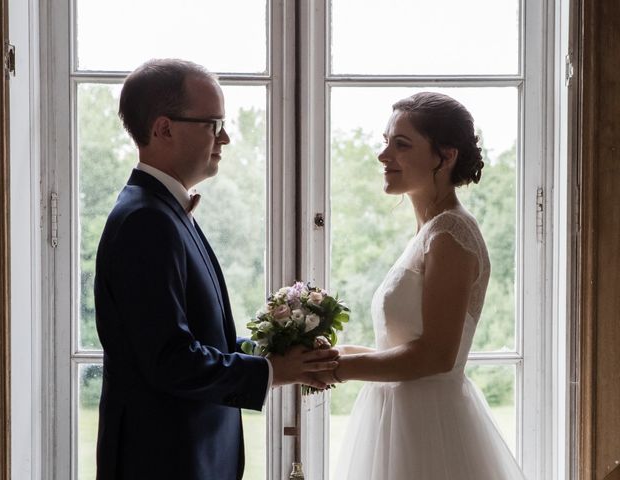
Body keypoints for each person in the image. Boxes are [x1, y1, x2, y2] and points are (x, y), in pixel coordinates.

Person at [93, 58, 338, 480]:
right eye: (213, 123)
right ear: (164, 128)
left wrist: (272, 354)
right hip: (164, 462)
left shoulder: (164, 210)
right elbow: (170, 358)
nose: (225, 137)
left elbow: (201, 338)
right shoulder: (144, 220)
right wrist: (271, 373)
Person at [324, 92, 527, 479]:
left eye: (401, 145)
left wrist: (340, 369)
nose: (384, 156)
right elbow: (404, 345)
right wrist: (336, 354)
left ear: (445, 156)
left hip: (429, 427)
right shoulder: (429, 232)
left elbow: (435, 356)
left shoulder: (451, 233)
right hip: (401, 419)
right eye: (386, 143)